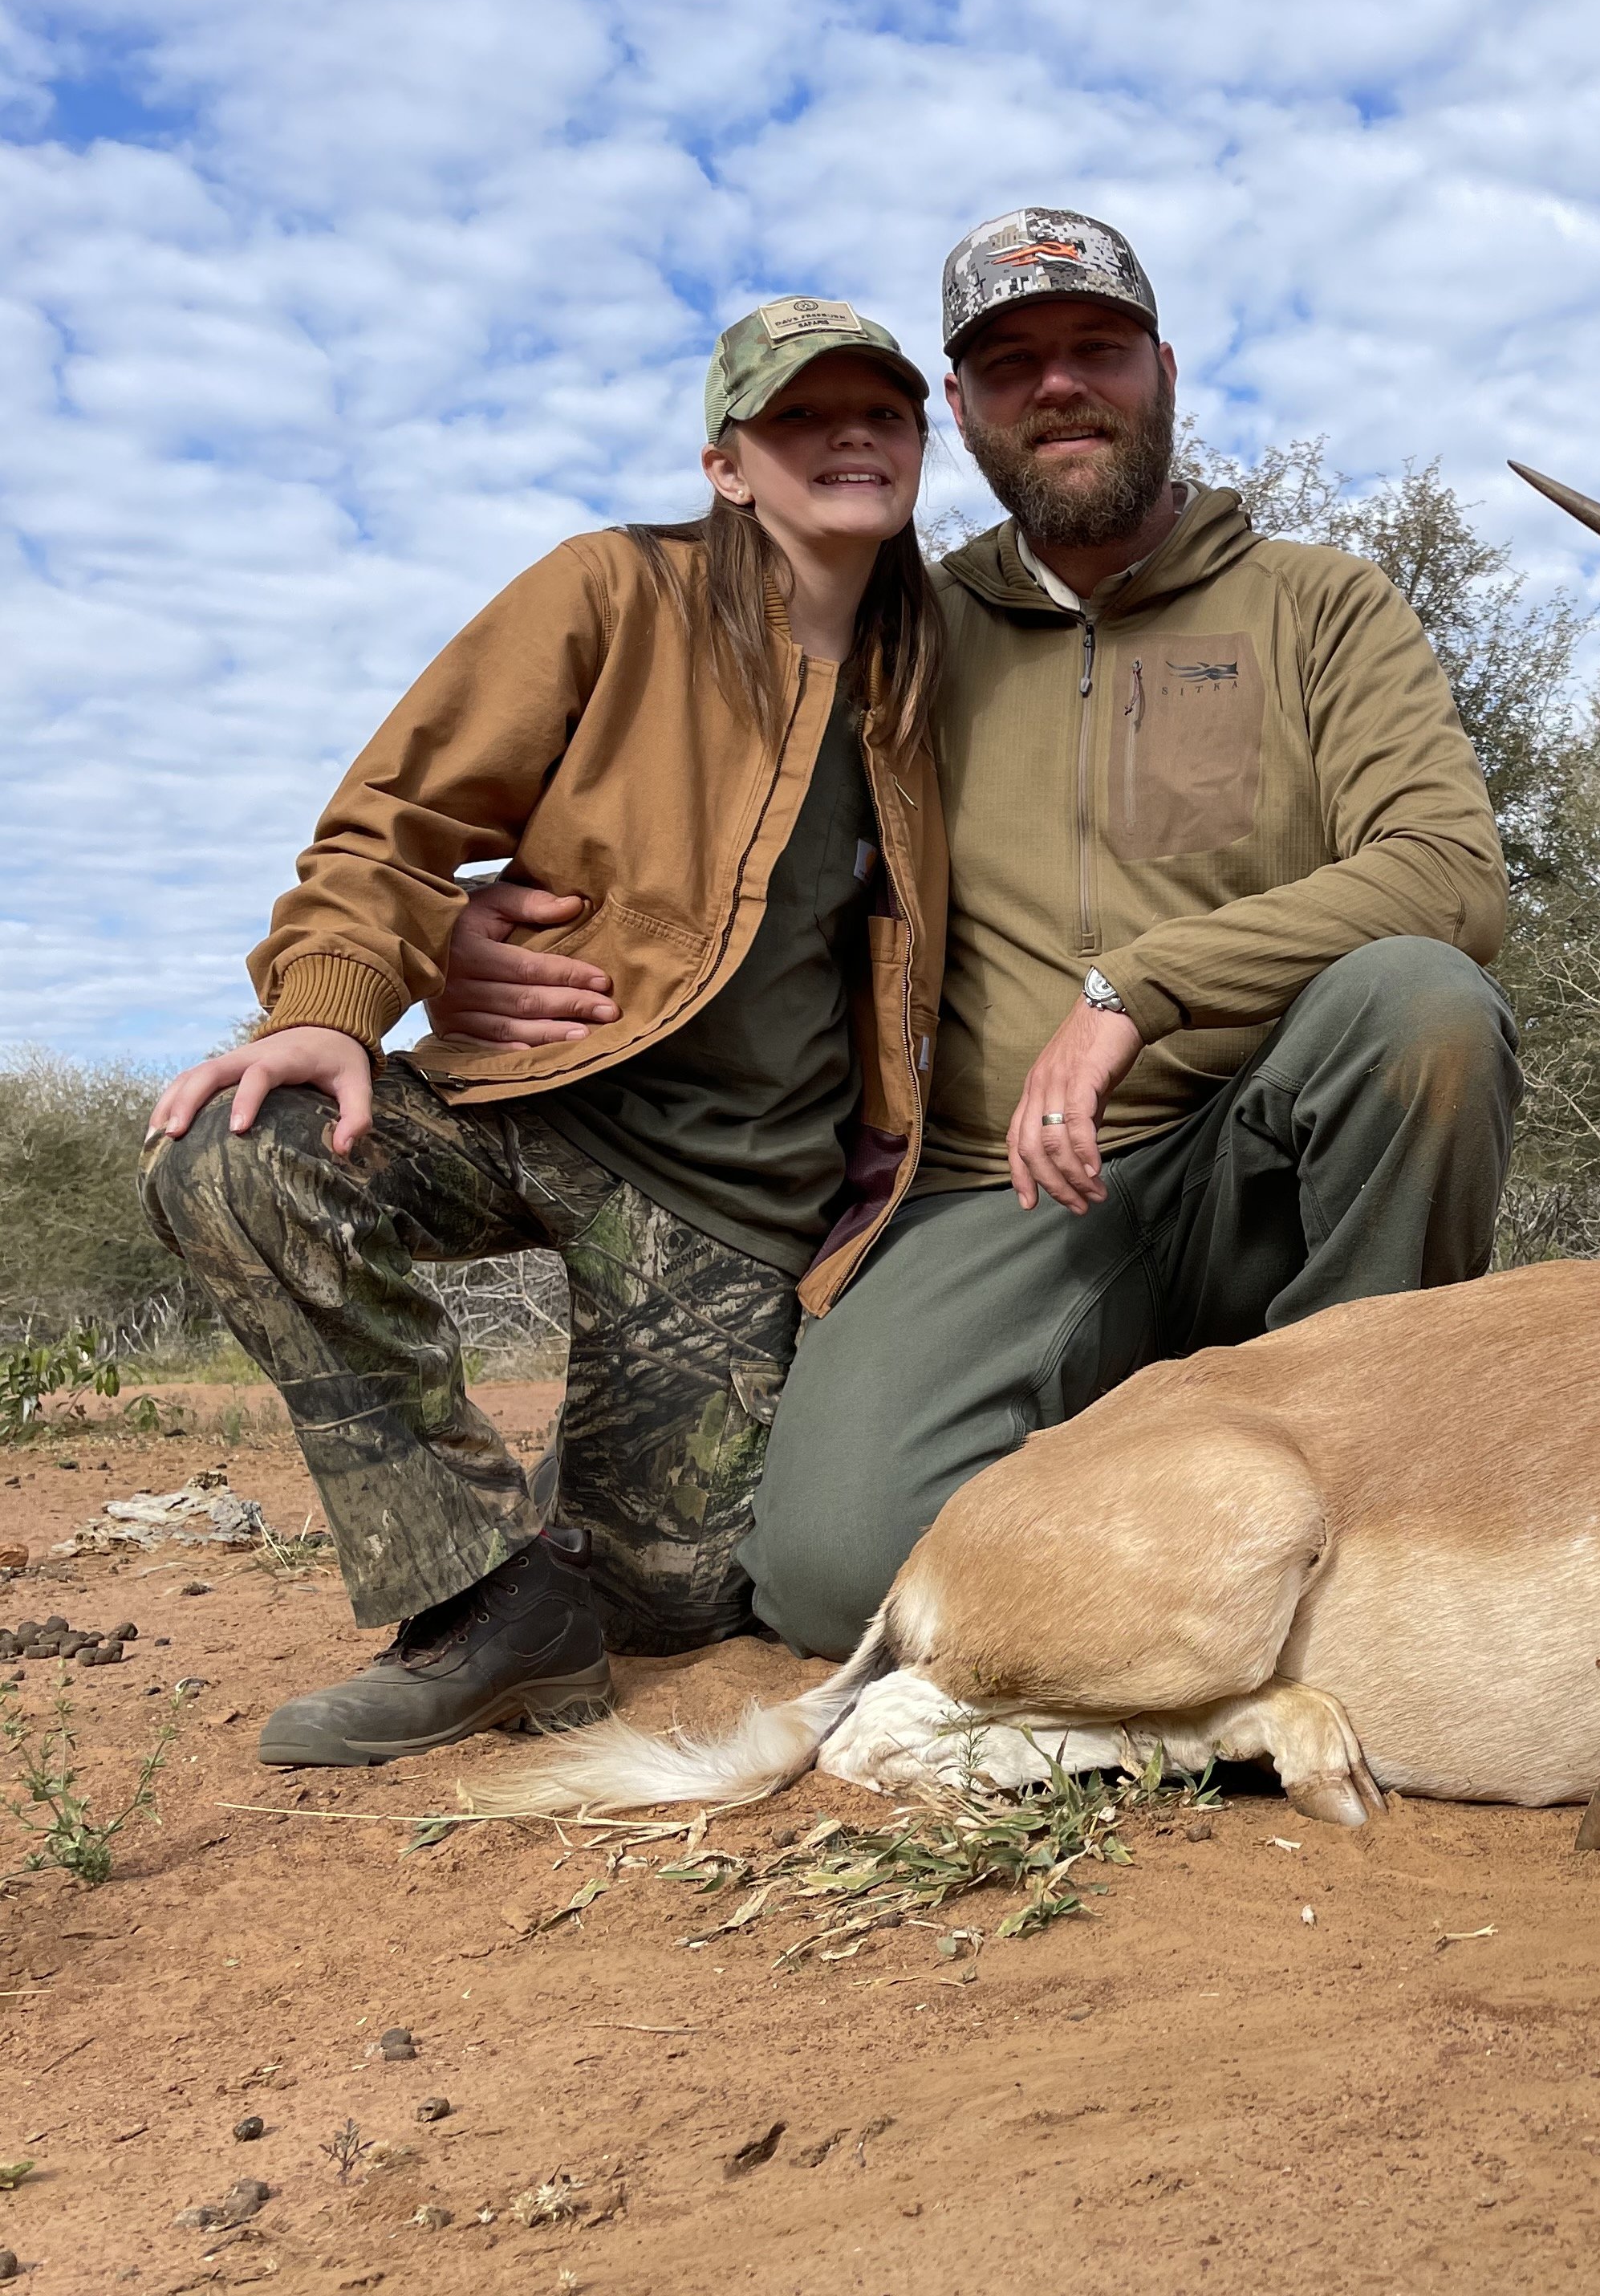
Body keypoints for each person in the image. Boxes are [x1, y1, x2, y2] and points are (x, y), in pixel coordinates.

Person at [441, 209, 1521, 1660]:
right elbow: (720, 854)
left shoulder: (1321, 604)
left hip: (1260, 1161)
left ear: (1165, 369)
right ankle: (1160, 1510)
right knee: (835, 1578)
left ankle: (1379, 1517)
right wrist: (468, 918)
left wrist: (1135, 989)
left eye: (1095, 349)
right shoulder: (901, 634)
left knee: (1424, 1008)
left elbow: (1448, 871)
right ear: (962, 412)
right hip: (994, 1190)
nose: (1059, 386)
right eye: (1011, 366)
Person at [141, 298, 951, 1763]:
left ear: (919, 443)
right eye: (798, 416)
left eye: (878, 413)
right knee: (237, 1149)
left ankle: (588, 1524)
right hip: (532, 1098)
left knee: (675, 1605)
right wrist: (342, 996)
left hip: (730, 1199)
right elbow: (393, 818)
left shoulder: (947, 665)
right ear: (726, 465)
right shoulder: (605, 589)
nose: (846, 436)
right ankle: (484, 1590)